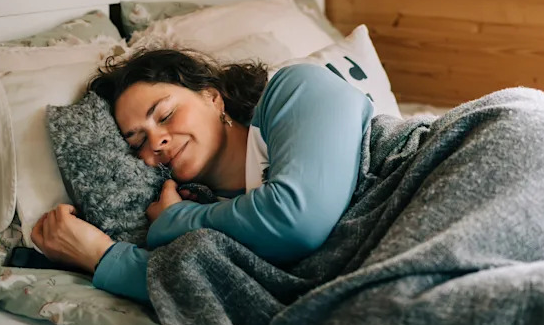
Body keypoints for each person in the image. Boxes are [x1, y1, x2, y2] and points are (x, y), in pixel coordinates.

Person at [31, 49, 374, 303]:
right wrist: (100, 256)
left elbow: (296, 221)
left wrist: (175, 219)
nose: (156, 141)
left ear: (212, 98)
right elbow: (232, 293)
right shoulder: (209, 214)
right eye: (137, 143)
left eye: (165, 115)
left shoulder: (295, 89)